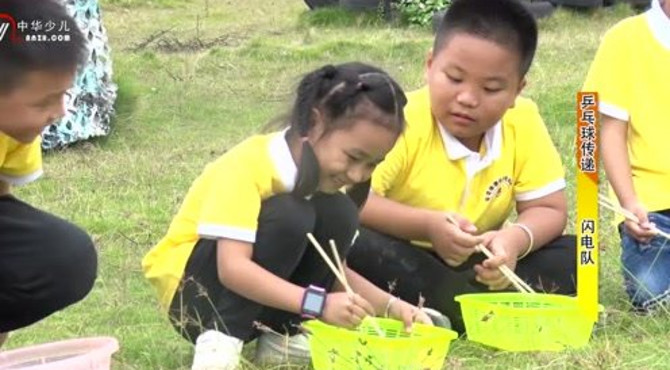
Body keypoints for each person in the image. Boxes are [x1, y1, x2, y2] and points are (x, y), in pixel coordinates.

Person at [142, 62, 432, 370]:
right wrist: (317, 305)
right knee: (291, 214)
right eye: (354, 157)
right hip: (194, 298)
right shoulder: (247, 166)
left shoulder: (330, 186)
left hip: (257, 300)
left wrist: (394, 307)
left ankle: (282, 337)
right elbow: (232, 268)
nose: (358, 174)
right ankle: (220, 343)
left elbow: (333, 272)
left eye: (373, 164)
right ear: (313, 123)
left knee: (340, 213)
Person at [347, 0, 576, 334]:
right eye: (454, 78)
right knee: (351, 242)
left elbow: (549, 209)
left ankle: (451, 306)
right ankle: (473, 308)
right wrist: (428, 227)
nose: (468, 98)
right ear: (429, 66)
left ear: (517, 90)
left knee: (577, 256)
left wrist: (512, 241)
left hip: (477, 262)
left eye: (491, 88)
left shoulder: (523, 120)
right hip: (403, 253)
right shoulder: (402, 118)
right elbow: (355, 201)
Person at [0, 0, 97, 348]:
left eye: (62, 96)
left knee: (62, 255)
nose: (59, 112)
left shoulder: (11, 132)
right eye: (43, 103)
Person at [583, 0, 670, 312]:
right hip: (654, 213)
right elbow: (605, 131)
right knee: (651, 292)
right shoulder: (624, 40)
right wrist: (629, 203)